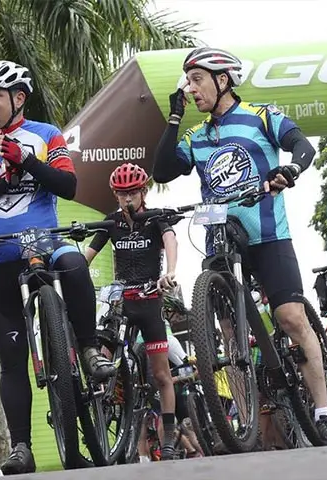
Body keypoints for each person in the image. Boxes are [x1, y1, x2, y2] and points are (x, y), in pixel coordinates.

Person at [151, 46, 327, 444]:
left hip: (267, 235)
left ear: (222, 80)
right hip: (220, 240)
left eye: (197, 80)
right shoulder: (196, 135)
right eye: (187, 82)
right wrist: (174, 117)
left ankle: (325, 413)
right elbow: (161, 170)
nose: (191, 89)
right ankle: (246, 425)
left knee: (291, 318)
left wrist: (290, 168)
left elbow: (303, 146)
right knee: (230, 334)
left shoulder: (261, 116)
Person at [0, 60, 115, 475]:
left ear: (18, 98)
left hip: (44, 243)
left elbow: (67, 186)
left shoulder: (45, 135)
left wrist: (25, 161)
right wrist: (2, 184)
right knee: (11, 359)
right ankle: (21, 447)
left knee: (74, 263)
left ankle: (89, 349)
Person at [84, 163, 181, 459]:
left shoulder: (154, 218)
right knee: (104, 361)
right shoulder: (111, 221)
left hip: (149, 301)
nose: (128, 198)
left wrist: (171, 272)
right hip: (121, 303)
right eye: (122, 193)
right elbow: (88, 255)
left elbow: (170, 239)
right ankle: (105, 414)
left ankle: (168, 439)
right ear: (115, 194)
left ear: (143, 192)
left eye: (133, 192)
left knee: (162, 375)